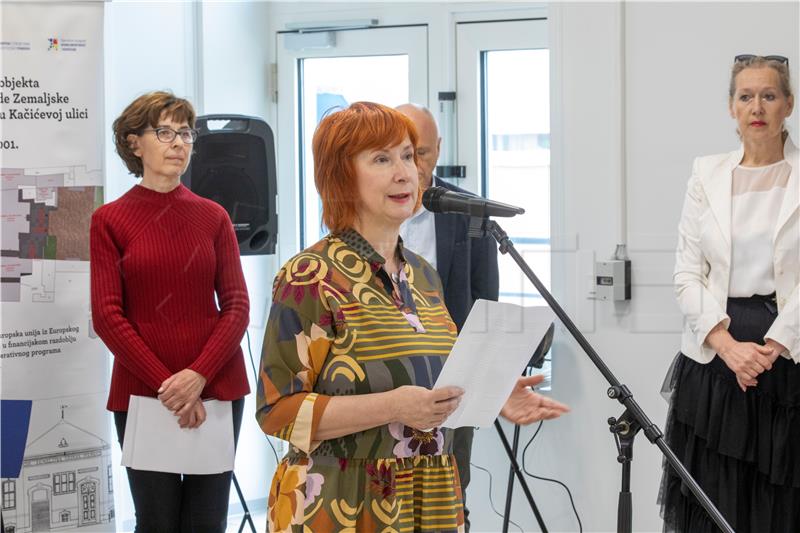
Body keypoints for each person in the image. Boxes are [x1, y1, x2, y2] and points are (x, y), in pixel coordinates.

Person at [256, 101, 568, 531]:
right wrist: (393, 407)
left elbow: (427, 381)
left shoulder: (423, 276)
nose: (406, 172)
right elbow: (278, 412)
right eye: (382, 159)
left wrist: (490, 393)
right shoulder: (310, 278)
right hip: (344, 499)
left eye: (407, 155)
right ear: (341, 175)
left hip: (433, 493)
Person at [91, 91, 250, 532]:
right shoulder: (109, 220)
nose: (179, 142)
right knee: (156, 522)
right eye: (164, 132)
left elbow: (236, 305)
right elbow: (107, 315)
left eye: (185, 133)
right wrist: (171, 386)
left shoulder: (214, 217)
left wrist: (197, 377)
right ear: (133, 142)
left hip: (217, 387)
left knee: (207, 521)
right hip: (144, 392)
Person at [661, 55, 798, 532]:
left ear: (788, 104)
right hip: (715, 361)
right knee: (712, 501)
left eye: (768, 95)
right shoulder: (706, 173)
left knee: (779, 501)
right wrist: (728, 348)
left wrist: (773, 348)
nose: (756, 106)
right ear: (731, 108)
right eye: (745, 96)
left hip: (787, 362)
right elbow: (685, 273)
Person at [396, 103, 499, 530]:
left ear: (437, 149)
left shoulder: (468, 212)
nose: (413, 165)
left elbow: (485, 303)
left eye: (420, 152)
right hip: (386, 384)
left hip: (452, 383)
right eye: (401, 153)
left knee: (453, 500)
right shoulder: (363, 214)